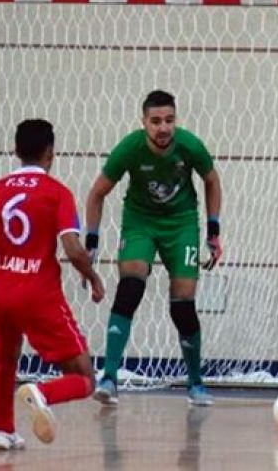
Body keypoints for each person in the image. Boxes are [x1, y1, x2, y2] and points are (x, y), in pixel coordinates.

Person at [0, 119, 105, 450]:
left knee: (6, 359)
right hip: (38, 295)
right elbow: (71, 249)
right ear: (50, 154)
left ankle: (2, 431)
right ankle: (42, 393)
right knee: (85, 378)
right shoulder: (57, 194)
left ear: (16, 151)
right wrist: (93, 278)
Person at [85, 89, 222, 406]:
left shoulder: (190, 145)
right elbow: (96, 193)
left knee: (183, 304)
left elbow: (212, 181)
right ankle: (108, 377)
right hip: (140, 222)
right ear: (144, 122)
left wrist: (213, 229)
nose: (164, 128)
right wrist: (92, 241)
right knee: (131, 287)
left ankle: (195, 383)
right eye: (156, 121)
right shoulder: (130, 149)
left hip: (181, 223)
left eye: (169, 120)